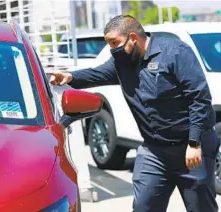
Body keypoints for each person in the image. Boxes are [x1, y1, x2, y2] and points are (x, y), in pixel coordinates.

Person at [49, 15, 220, 212]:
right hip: (154, 151)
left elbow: (199, 98)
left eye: (115, 43)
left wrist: (194, 142)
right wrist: (70, 77)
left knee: (201, 208)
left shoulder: (175, 52)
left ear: (133, 37)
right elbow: (97, 74)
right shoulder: (122, 63)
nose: (112, 49)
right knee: (143, 206)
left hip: (191, 149)